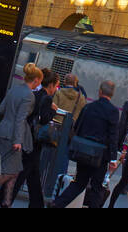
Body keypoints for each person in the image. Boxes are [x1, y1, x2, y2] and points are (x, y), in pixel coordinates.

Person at [0, 63, 40, 207]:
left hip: (3, 132)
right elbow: (20, 120)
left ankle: (6, 202)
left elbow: (1, 109)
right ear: (35, 80)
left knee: (14, 170)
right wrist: (18, 141)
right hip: (13, 136)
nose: (38, 85)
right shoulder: (29, 96)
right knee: (9, 172)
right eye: (39, 82)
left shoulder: (14, 89)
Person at [51, 79, 120, 208]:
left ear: (99, 91)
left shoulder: (89, 107)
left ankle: (58, 204)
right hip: (100, 155)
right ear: (112, 94)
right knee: (96, 187)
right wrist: (113, 158)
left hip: (84, 151)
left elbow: (78, 127)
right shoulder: (113, 112)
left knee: (79, 183)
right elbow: (113, 136)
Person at [20, 67, 58, 207]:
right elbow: (44, 119)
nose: (56, 89)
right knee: (25, 171)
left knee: (32, 172)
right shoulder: (47, 98)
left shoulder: (36, 94)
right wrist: (53, 111)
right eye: (56, 85)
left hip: (28, 136)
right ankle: (4, 198)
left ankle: (36, 203)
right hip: (35, 140)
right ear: (51, 85)